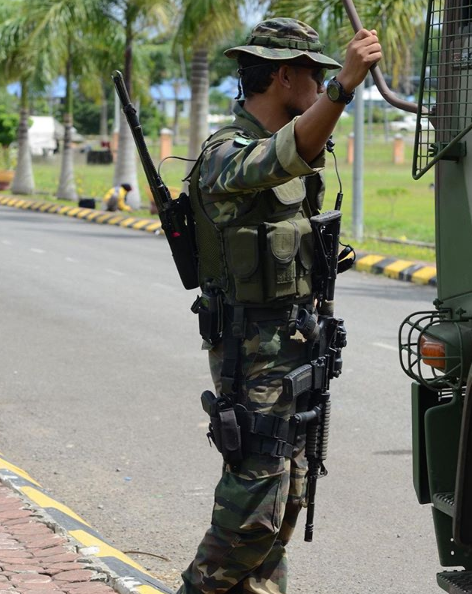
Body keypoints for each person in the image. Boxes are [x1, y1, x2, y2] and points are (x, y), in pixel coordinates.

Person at [179, 18, 382, 594]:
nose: (320, 85)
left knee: (286, 502)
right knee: (252, 510)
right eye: (314, 75)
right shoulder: (226, 152)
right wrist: (342, 87)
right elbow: (275, 160)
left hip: (295, 344)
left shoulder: (291, 142)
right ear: (284, 75)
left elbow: (299, 152)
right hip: (251, 348)